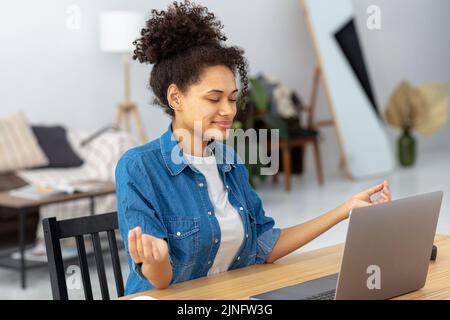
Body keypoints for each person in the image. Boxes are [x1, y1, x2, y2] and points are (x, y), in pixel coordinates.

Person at [115, 0, 392, 295]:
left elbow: (265, 245)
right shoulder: (138, 167)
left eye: (232, 99)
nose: (228, 110)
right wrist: (156, 260)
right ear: (176, 97)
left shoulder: (229, 161)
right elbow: (159, 281)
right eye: (214, 98)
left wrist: (345, 210)